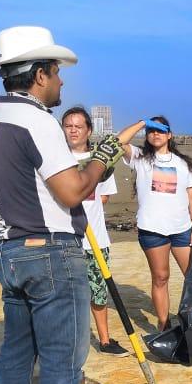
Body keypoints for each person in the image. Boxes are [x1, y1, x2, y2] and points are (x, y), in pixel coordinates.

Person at [0, 25, 128, 384]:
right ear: (39, 74)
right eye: (57, 73)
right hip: (49, 252)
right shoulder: (38, 121)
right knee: (63, 359)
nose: (62, 83)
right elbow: (72, 190)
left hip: (11, 250)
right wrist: (107, 155)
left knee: (17, 354)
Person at [119, 116, 192, 330]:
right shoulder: (140, 158)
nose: (156, 134)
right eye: (152, 130)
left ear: (169, 135)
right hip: (152, 230)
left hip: (182, 229)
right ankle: (164, 324)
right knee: (161, 277)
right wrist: (141, 123)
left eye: (160, 130)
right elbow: (119, 142)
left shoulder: (183, 163)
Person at [61, 106, 128, 356]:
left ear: (89, 130)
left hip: (96, 239)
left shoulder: (99, 161)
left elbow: (104, 197)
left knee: (99, 292)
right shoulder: (58, 160)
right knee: (66, 295)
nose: (73, 130)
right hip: (64, 240)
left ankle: (105, 340)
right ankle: (67, 341)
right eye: (69, 125)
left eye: (79, 126)